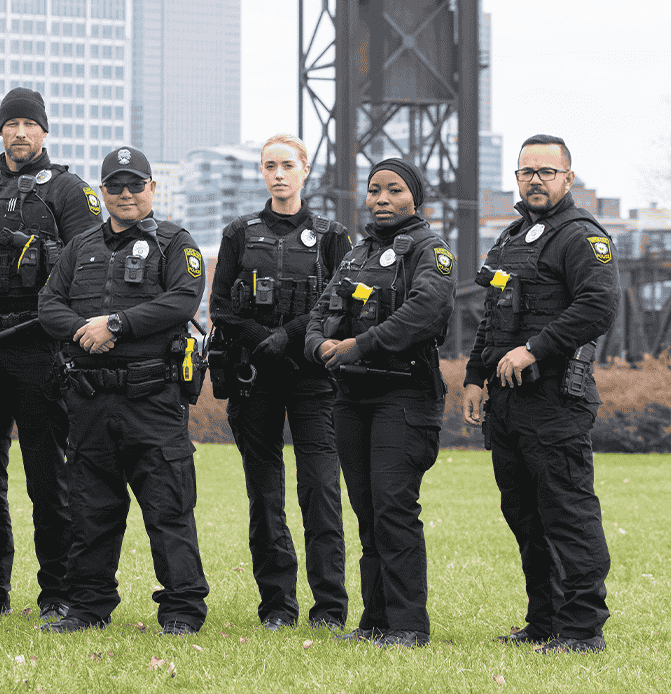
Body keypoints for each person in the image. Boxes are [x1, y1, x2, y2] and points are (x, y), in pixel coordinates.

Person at [38, 146, 210, 636]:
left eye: (135, 184)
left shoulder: (176, 242)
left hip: (151, 399)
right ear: (102, 191)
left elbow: (182, 300)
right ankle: (88, 607)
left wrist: (116, 324)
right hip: (90, 399)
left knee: (168, 508)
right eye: (115, 185)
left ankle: (181, 610)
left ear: (152, 188)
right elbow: (48, 303)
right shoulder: (80, 246)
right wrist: (82, 331)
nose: (126, 194)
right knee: (91, 512)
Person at [0, 88, 101, 621]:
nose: (19, 133)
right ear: (0, 131)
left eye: (29, 124)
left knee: (49, 477)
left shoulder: (69, 191)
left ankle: (58, 589)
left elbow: (93, 267)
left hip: (42, 349)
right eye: (11, 123)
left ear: (44, 132)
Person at [460, 135, 617, 654]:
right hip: (507, 403)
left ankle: (582, 628)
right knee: (525, 516)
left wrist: (535, 348)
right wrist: (474, 378)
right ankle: (545, 621)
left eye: (546, 171)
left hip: (555, 400)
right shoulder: (510, 238)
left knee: (567, 513)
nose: (534, 180)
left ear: (568, 179)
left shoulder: (580, 237)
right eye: (526, 171)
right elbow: (492, 318)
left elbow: (598, 306)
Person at [305, 157, 454, 649]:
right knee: (367, 510)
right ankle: (375, 621)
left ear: (415, 197)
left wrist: (357, 346)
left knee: (393, 509)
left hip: (405, 397)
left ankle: (409, 625)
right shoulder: (357, 253)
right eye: (374, 190)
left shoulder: (430, 250)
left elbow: (425, 311)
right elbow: (324, 307)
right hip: (353, 398)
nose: (382, 199)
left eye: (394, 190)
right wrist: (318, 343)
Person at [209, 134, 351, 631]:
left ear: (305, 169)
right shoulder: (238, 233)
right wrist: (258, 338)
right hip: (255, 378)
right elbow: (221, 306)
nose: (278, 174)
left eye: (287, 165)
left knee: (320, 492)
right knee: (264, 497)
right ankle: (277, 607)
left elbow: (342, 304)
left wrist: (288, 336)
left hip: (313, 379)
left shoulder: (333, 235)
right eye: (269, 166)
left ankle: (330, 608)